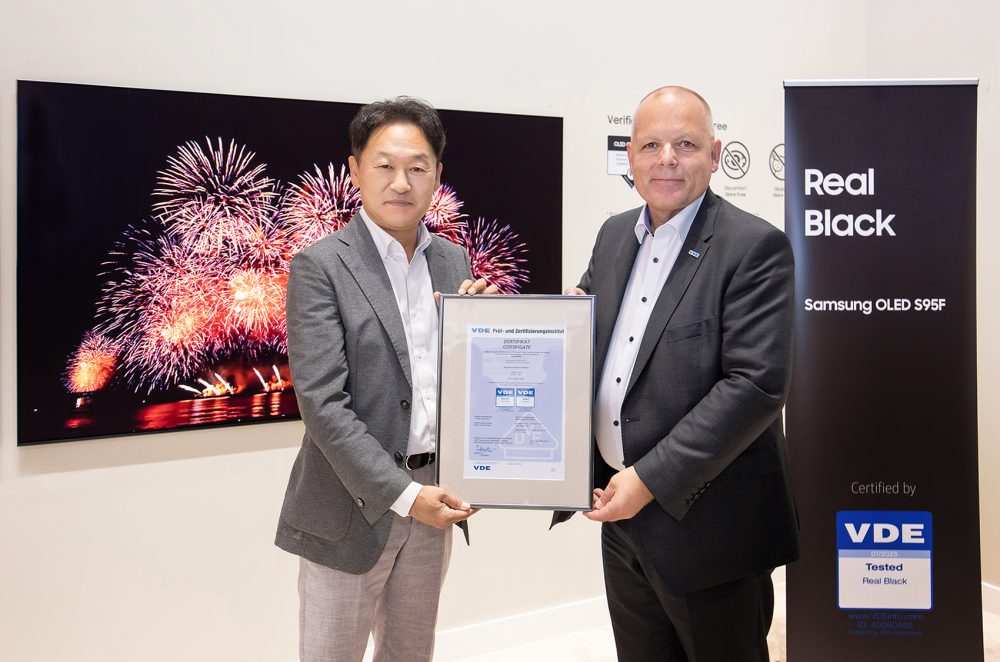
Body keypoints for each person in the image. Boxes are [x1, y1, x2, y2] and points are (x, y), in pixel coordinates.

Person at [553, 86, 799, 661]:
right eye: (651, 145)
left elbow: (754, 386)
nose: (666, 159)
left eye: (685, 145)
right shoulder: (614, 234)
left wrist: (647, 481)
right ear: (630, 158)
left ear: (714, 155)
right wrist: (492, 321)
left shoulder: (753, 246)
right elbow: (586, 334)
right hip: (621, 517)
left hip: (711, 525)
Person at [275, 96, 495, 662]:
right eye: (385, 165)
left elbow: (462, 387)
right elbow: (323, 404)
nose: (401, 182)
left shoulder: (453, 262)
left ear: (437, 175)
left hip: (436, 497)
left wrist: (488, 330)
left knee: (410, 653)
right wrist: (405, 496)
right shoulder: (320, 266)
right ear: (355, 170)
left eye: (417, 167)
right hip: (350, 508)